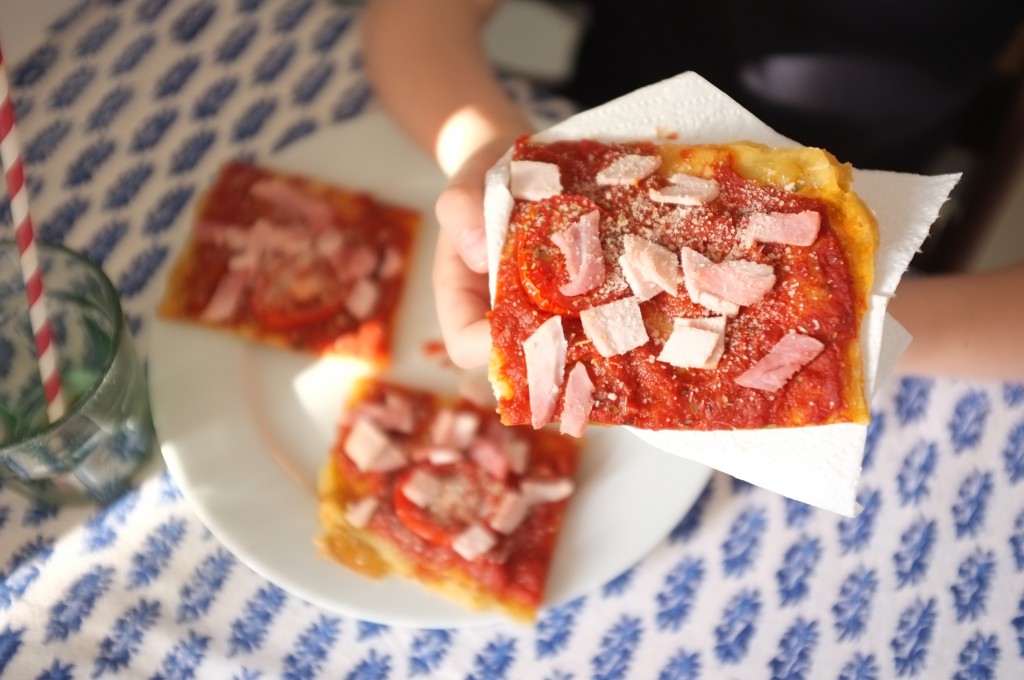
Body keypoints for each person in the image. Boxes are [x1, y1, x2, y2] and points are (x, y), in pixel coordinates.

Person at [362, 0, 1024, 380]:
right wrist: (484, 146)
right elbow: (415, 20)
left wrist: (865, 325)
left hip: (868, 244)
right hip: (587, 139)